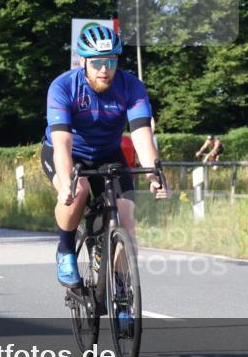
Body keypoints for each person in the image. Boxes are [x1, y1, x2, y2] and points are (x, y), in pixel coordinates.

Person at [43, 24, 167, 291]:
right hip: (68, 152)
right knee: (78, 190)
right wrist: (66, 181)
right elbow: (62, 143)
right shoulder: (63, 87)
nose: (104, 69)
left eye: (111, 61)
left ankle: (122, 290)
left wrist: (152, 174)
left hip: (108, 154)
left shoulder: (131, 87)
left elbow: (142, 134)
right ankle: (65, 250)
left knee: (127, 220)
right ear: (83, 61)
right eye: (98, 62)